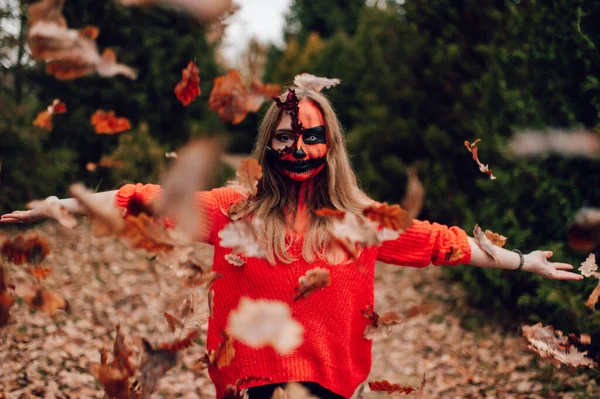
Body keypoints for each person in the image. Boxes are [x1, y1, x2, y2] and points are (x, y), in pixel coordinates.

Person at [0, 88, 583, 399]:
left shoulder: (361, 219)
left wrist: (522, 262)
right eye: (286, 138)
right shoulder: (234, 210)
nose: (299, 149)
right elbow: (148, 200)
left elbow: (441, 243)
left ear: (330, 145)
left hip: (330, 384)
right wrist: (62, 206)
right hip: (252, 384)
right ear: (267, 145)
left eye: (311, 138)